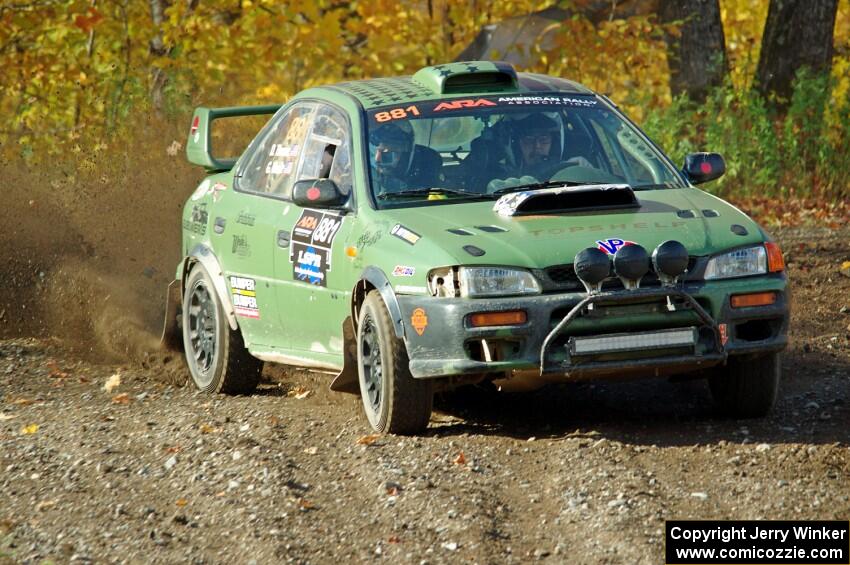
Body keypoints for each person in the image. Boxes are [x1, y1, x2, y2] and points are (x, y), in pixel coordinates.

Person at [370, 123, 442, 193]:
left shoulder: (427, 166)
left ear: (405, 155)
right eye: (373, 154)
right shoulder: (368, 180)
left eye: (387, 154)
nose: (377, 160)